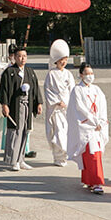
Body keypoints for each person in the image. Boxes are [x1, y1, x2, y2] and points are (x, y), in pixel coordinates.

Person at [0, 45, 43, 172]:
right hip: (15, 105)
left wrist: (38, 103)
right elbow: (4, 90)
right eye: (19, 56)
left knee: (25, 131)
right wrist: (4, 105)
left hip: (27, 104)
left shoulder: (30, 72)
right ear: (15, 57)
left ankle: (21, 159)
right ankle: (13, 160)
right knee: (15, 131)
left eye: (24, 56)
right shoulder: (9, 72)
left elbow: (36, 88)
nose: (22, 58)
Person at [66, 63, 108, 194]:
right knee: (91, 154)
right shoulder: (77, 90)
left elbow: (102, 106)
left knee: (95, 154)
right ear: (81, 75)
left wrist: (101, 121)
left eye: (91, 73)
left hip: (97, 126)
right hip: (86, 126)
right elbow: (80, 108)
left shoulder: (97, 89)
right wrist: (94, 121)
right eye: (87, 74)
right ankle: (96, 182)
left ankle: (89, 180)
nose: (90, 76)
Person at [43, 39, 74, 167]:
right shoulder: (51, 74)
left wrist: (71, 102)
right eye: (61, 59)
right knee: (58, 131)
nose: (63, 62)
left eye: (65, 59)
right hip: (56, 108)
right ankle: (58, 156)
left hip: (67, 107)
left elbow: (72, 90)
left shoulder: (68, 74)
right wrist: (57, 101)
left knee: (66, 131)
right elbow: (48, 90)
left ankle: (65, 155)